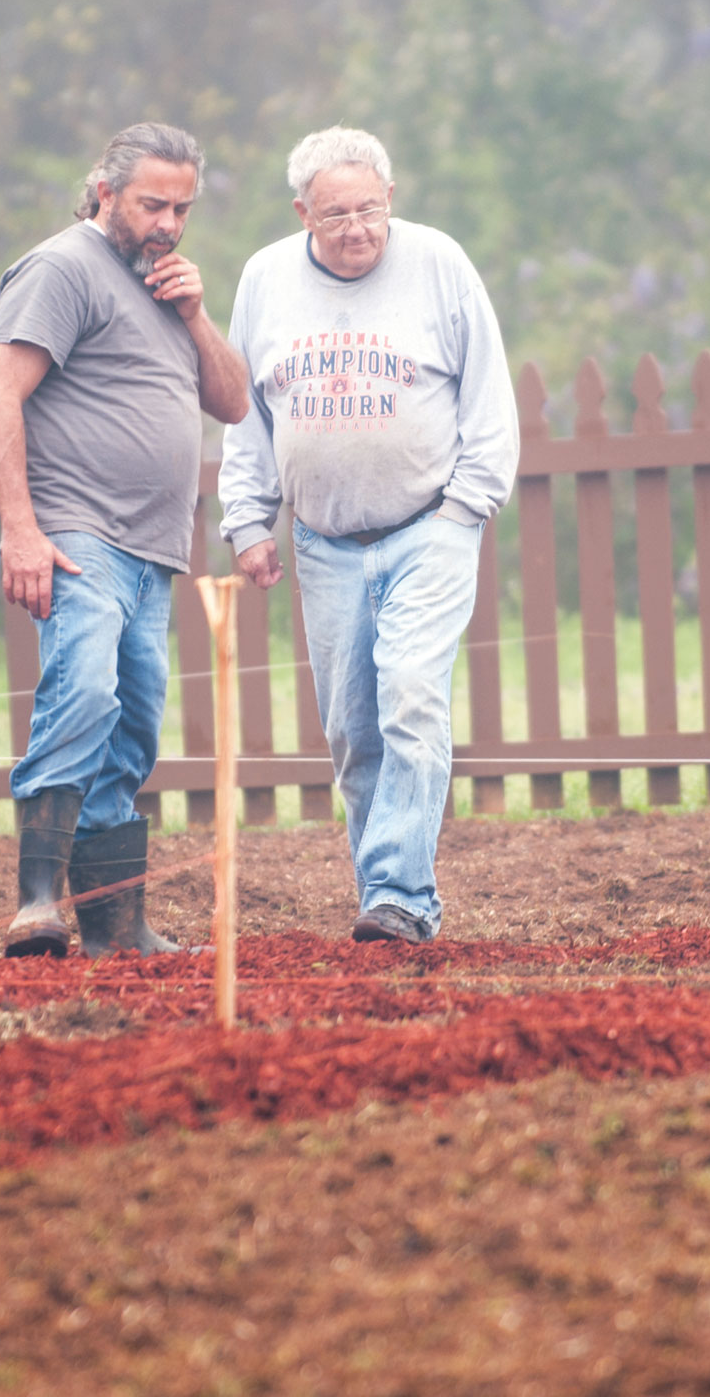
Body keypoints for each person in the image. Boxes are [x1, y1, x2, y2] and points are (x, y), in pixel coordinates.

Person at [219, 127, 518, 944]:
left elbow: (490, 394)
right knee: (355, 731)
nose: (356, 229)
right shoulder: (265, 278)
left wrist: (468, 506)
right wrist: (249, 518)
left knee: (412, 700)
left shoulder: (438, 264)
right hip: (323, 542)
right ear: (302, 214)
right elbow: (247, 412)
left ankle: (401, 896)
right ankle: (381, 903)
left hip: (429, 526)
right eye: (335, 215)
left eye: (370, 211)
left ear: (393, 200)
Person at [0, 122, 250, 957]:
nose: (169, 222)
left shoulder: (164, 287)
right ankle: (36, 905)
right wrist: (21, 532)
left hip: (154, 549)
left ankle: (114, 925)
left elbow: (234, 402)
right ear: (105, 193)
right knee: (84, 696)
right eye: (152, 204)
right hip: (78, 532)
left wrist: (197, 315)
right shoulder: (62, 268)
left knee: (131, 726)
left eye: (183, 208)